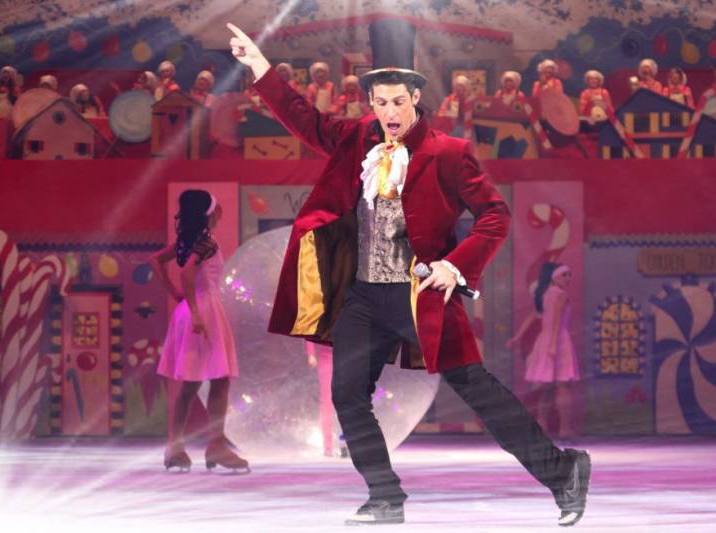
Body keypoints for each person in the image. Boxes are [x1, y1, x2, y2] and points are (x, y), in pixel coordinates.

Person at [228, 19, 590, 528]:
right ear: (370, 102)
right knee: (347, 395)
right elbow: (304, 119)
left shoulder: (449, 153)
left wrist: (454, 264)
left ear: (416, 98)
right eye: (381, 102)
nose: (390, 112)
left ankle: (562, 470)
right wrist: (261, 68)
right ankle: (385, 495)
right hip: (363, 296)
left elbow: (495, 215)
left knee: (477, 389)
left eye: (399, 101)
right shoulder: (356, 138)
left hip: (420, 295)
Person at [150, 189, 248, 473]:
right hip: (204, 310)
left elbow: (155, 260)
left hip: (192, 310)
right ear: (210, 213)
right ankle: (215, 444)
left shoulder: (188, 241)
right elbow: (187, 272)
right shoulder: (206, 242)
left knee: (191, 383)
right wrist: (194, 310)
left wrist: (175, 294)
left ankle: (175, 446)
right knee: (220, 379)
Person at [507, 263, 579, 440]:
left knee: (547, 387)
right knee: (563, 385)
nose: (568, 278)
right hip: (558, 340)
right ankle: (564, 429)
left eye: (569, 275)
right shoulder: (560, 295)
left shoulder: (545, 295)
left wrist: (517, 337)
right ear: (554, 276)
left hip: (544, 340)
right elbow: (556, 320)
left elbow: (534, 315)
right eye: (564, 275)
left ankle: (542, 425)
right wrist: (554, 344)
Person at [436, 74, 474, 138]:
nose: (460, 91)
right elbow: (441, 114)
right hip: (452, 128)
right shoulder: (451, 99)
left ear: (466, 89)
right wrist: (449, 112)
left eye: (463, 89)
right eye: (458, 89)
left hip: (466, 127)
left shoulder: (469, 100)